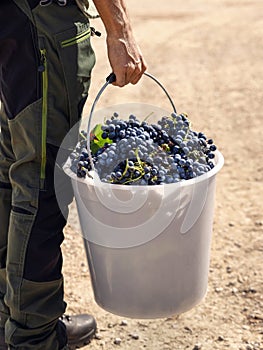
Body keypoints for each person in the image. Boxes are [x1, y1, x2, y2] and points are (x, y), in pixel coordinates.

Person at [0, 0, 147, 349]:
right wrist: (120, 29)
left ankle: (11, 317)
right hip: (43, 20)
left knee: (15, 165)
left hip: (15, 18)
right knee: (43, 180)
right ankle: (33, 335)